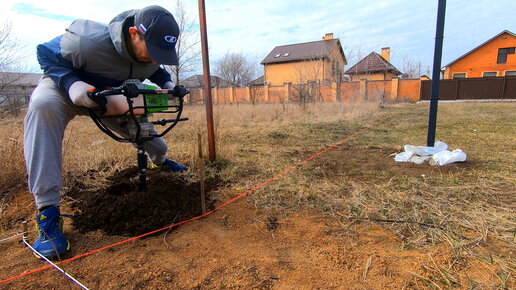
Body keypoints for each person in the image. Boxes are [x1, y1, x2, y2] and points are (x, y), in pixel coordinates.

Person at [24, 5, 187, 259]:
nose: (156, 57)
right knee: (42, 106)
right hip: (66, 89)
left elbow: (153, 68)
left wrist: (168, 84)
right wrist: (73, 84)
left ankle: (160, 162)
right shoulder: (86, 41)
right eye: (153, 50)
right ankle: (47, 212)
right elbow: (44, 53)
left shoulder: (149, 55)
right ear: (134, 33)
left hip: (110, 95)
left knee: (154, 143)